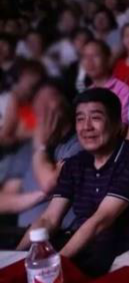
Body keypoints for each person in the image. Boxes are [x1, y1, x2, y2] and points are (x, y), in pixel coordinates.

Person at [17, 88, 129, 276]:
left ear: (116, 125)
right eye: (80, 119)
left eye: (95, 118)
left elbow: (100, 220)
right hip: (83, 248)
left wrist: (53, 267)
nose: (86, 126)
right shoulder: (75, 164)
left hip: (122, 253)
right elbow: (49, 218)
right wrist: (17, 258)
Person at [0, 86, 81, 244]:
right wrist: (39, 196)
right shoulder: (28, 149)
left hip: (57, 236)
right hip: (20, 234)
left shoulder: (77, 145)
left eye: (50, 106)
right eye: (38, 108)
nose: (43, 114)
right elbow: (3, 200)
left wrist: (40, 147)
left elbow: (49, 183)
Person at [81, 40, 129, 124]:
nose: (89, 61)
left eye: (95, 55)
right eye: (85, 57)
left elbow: (124, 124)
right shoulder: (86, 93)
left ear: (108, 59)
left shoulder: (123, 90)